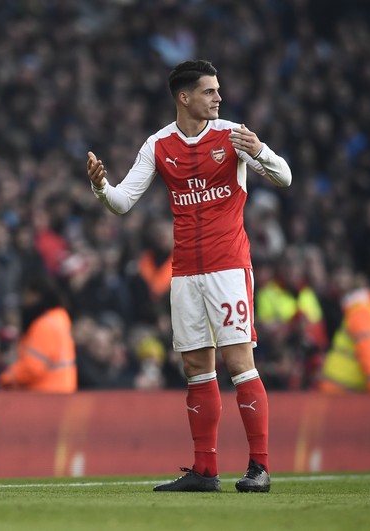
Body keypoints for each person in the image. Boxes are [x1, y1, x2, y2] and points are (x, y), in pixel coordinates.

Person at [87, 59, 292, 492]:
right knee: (196, 367)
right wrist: (101, 187)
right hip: (184, 273)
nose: (218, 97)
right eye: (209, 91)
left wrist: (260, 152)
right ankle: (205, 471)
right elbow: (123, 202)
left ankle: (260, 467)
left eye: (218, 91)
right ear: (184, 97)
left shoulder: (233, 135)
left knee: (239, 364)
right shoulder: (158, 145)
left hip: (229, 268)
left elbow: (285, 177)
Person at [0, 275, 77, 393]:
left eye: (27, 295)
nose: (25, 301)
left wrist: (7, 378)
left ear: (36, 295)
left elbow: (32, 367)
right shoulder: (59, 320)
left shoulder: (45, 325)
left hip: (43, 395)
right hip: (61, 393)